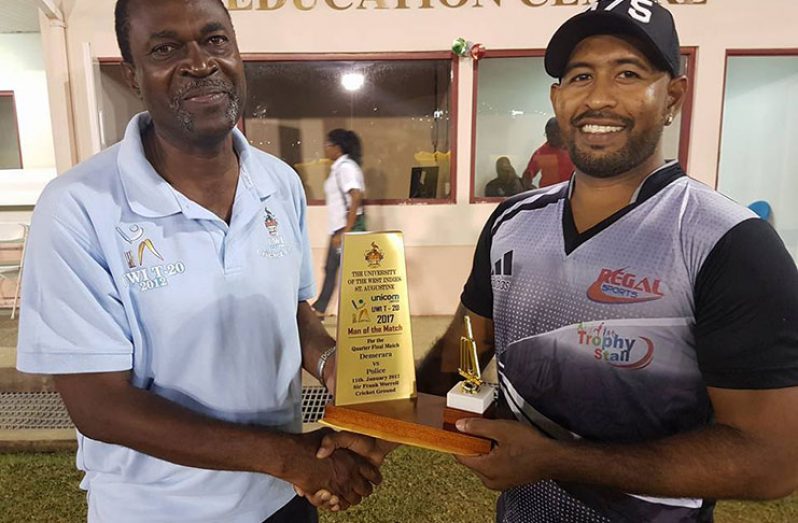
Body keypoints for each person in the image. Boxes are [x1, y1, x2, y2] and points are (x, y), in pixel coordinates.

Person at [326, 1, 798, 521]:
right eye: (580, 76)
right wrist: (391, 427)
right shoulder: (512, 222)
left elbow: (772, 460)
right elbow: (466, 345)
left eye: (627, 73)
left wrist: (558, 460)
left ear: (673, 97)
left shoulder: (728, 243)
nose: (599, 97)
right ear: (557, 98)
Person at [14, 1, 381, 521]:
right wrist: (290, 458)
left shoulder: (279, 183)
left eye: (215, 40)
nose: (200, 62)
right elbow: (99, 406)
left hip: (282, 501)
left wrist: (333, 364)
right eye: (165, 48)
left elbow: (294, 313)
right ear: (134, 76)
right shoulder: (78, 206)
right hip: (158, 509)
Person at [311, 129, 366, 317]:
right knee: (332, 268)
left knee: (350, 273)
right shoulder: (340, 168)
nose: (325, 149)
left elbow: (356, 196)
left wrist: (345, 231)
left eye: (327, 145)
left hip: (347, 228)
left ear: (337, 147)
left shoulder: (345, 168)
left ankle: (322, 309)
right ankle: (320, 308)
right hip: (339, 228)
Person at [521, 117, 575, 189]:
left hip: (572, 193)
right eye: (547, 134)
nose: (549, 138)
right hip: (549, 195)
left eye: (553, 134)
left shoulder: (576, 149)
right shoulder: (541, 153)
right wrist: (526, 187)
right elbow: (528, 174)